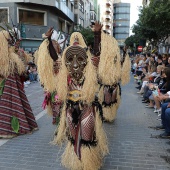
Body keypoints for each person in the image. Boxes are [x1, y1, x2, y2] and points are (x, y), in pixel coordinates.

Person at [38, 22, 121, 170]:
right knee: (72, 137)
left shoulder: (91, 68)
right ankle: (77, 162)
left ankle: (89, 163)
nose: (75, 65)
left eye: (79, 59)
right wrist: (49, 40)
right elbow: (54, 57)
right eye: (71, 60)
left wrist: (97, 34)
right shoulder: (65, 70)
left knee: (87, 138)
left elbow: (96, 53)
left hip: (87, 107)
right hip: (70, 107)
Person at [0, 28, 38, 138]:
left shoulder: (12, 54)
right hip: (6, 85)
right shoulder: (3, 56)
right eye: (8, 40)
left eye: (10, 40)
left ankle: (19, 125)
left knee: (16, 104)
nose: (9, 43)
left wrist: (16, 47)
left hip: (14, 85)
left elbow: (20, 66)